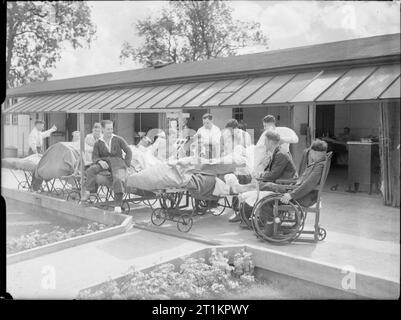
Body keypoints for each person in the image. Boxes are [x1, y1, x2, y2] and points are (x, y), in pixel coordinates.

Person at [233, 139, 328, 232]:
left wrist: (291, 195)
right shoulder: (319, 164)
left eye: (311, 152)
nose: (310, 154)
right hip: (296, 190)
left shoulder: (318, 167)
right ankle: (247, 189)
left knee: (267, 195)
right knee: (267, 187)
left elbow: (307, 185)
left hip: (300, 196)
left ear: (315, 152)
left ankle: (271, 226)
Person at [81, 120, 132, 209]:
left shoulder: (118, 139)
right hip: (104, 162)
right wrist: (99, 161)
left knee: (118, 179)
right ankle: (89, 192)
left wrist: (126, 164)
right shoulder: (98, 142)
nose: (110, 131)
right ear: (103, 129)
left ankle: (118, 205)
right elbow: (95, 157)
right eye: (108, 129)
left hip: (117, 163)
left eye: (111, 129)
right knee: (91, 170)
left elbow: (129, 151)